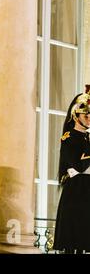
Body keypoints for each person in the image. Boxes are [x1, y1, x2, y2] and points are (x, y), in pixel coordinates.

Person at [53, 88, 90, 254]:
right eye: (85, 115)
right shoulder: (68, 137)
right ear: (76, 115)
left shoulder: (86, 138)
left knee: (85, 238)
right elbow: (78, 165)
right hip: (76, 188)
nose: (89, 119)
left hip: (87, 186)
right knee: (72, 239)